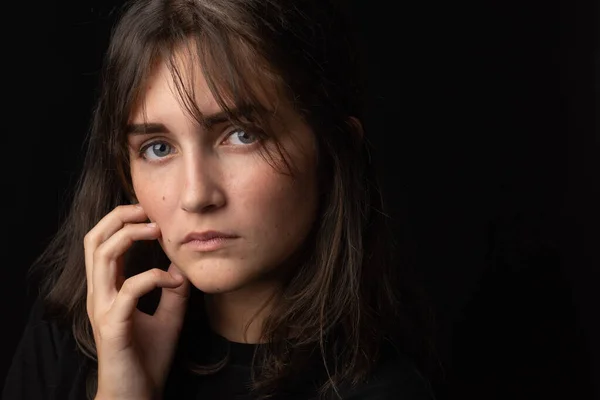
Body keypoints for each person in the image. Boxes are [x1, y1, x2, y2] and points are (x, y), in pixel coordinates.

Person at [3, 0, 440, 399]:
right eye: (158, 147)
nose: (196, 196)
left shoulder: (384, 391)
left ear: (334, 150)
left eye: (241, 136)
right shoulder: (72, 336)